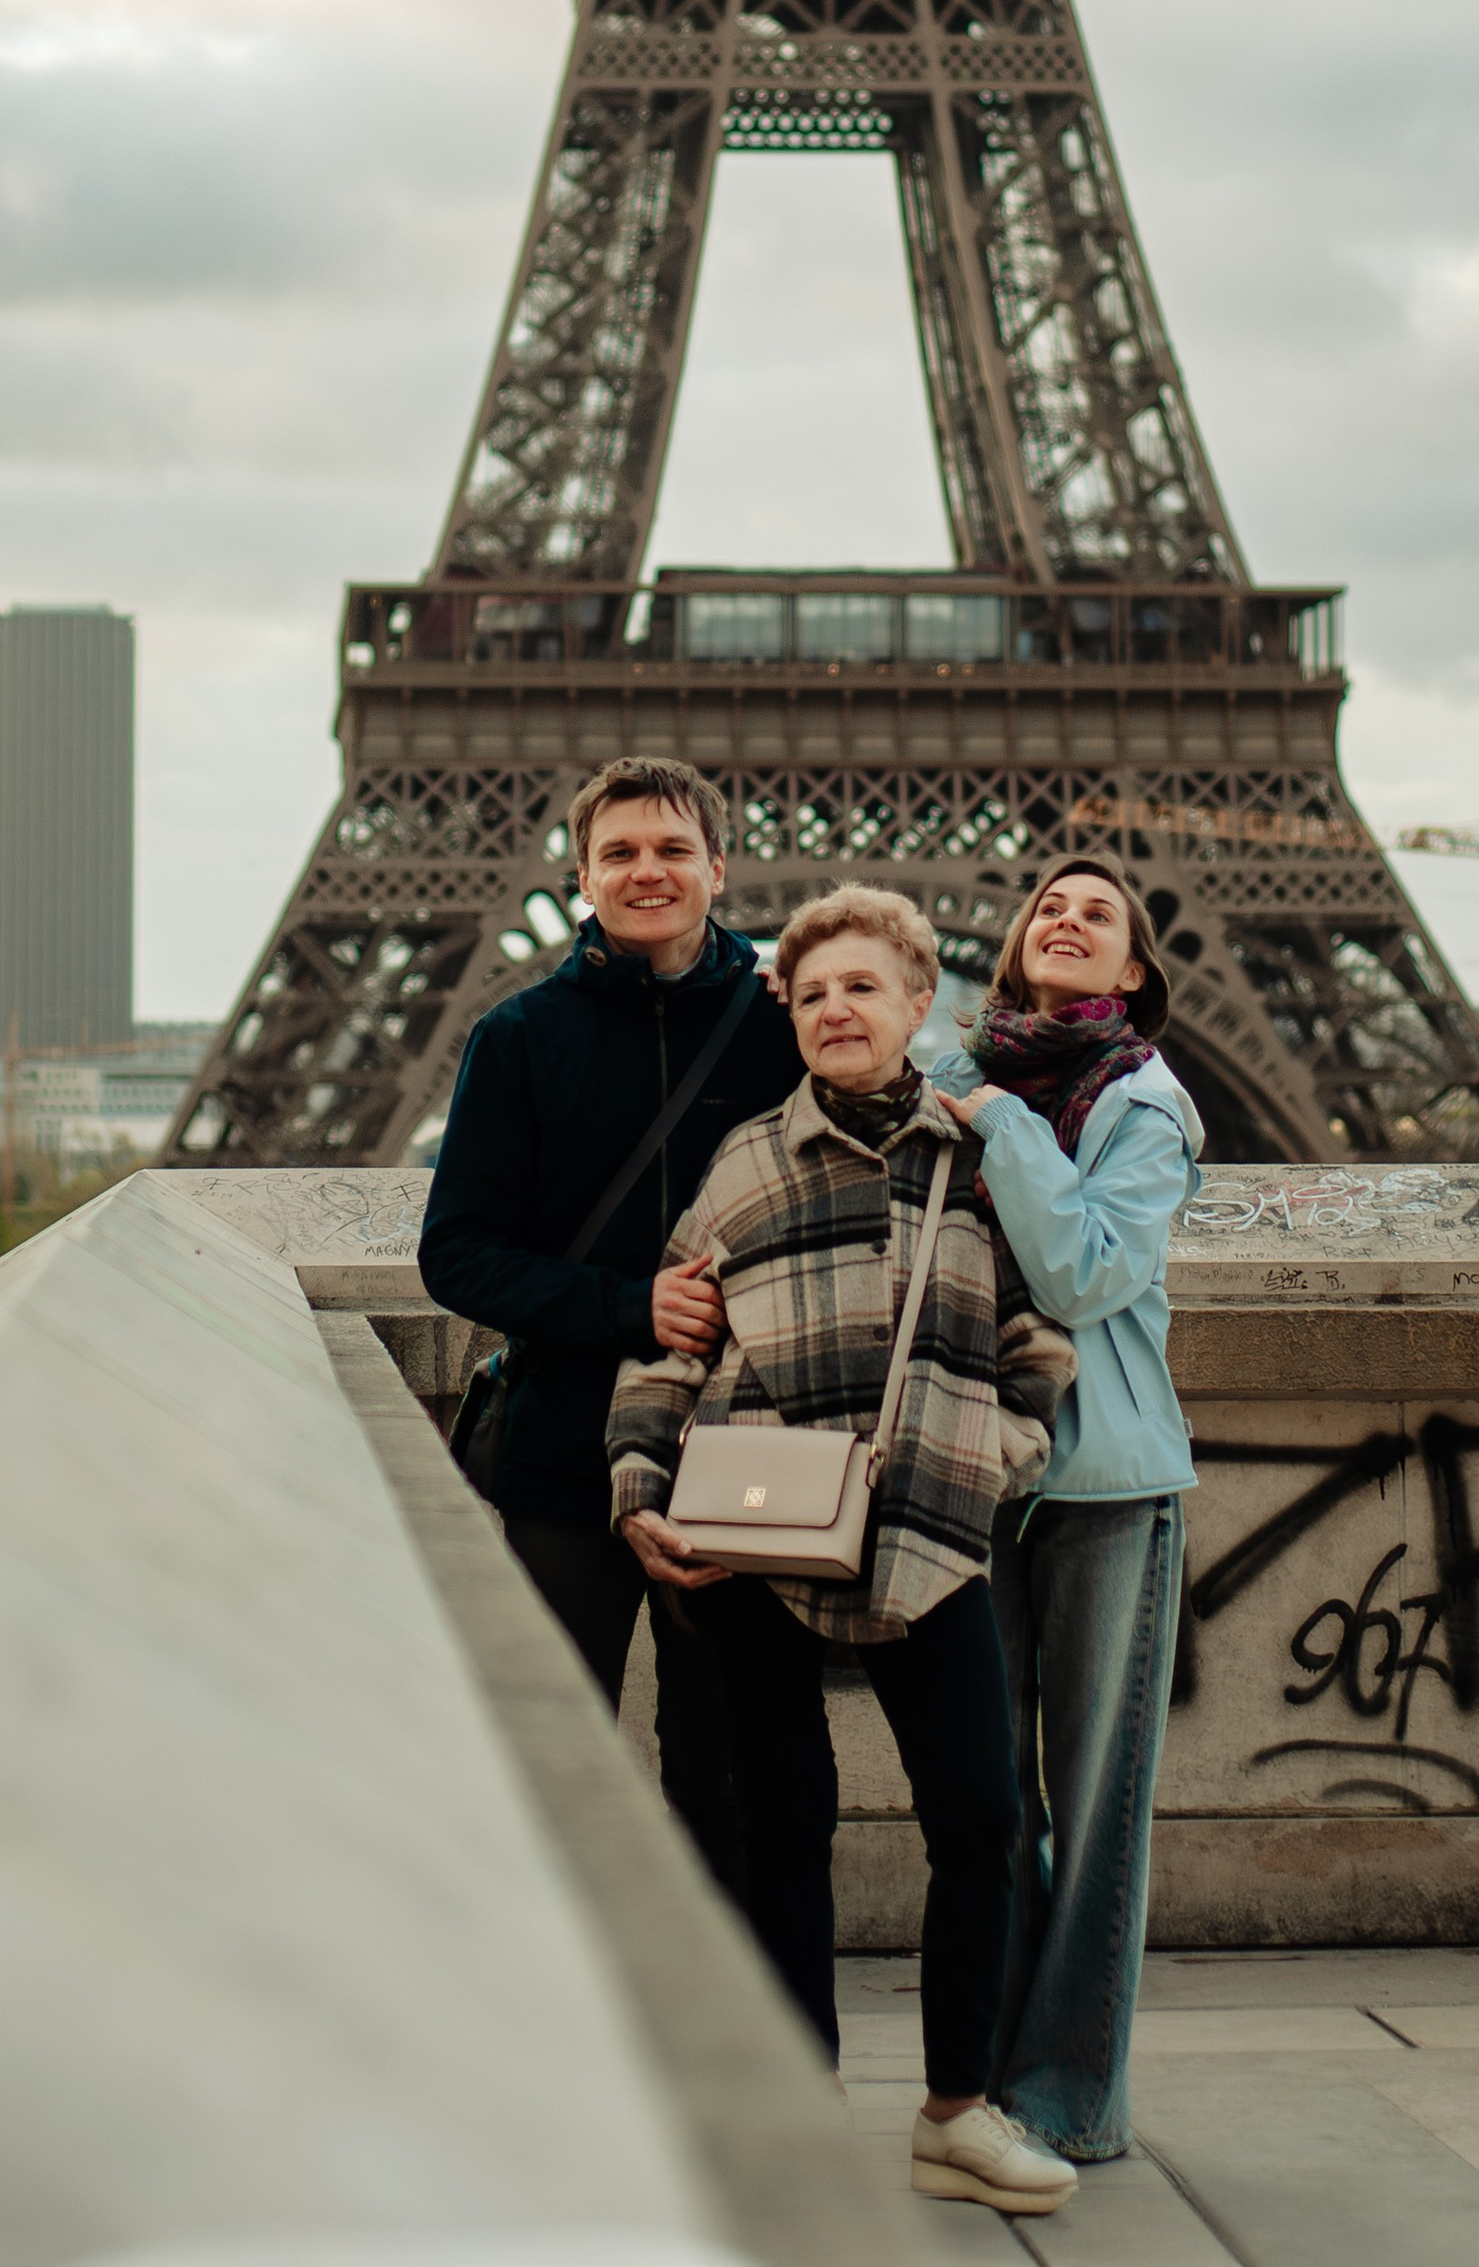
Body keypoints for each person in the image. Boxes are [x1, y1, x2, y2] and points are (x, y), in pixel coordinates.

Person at [611, 884, 1080, 2221]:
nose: (836, 1009)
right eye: (813, 993)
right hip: (762, 1538)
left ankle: (955, 2109)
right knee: (780, 1828)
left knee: (982, 1817)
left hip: (929, 1531)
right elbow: (672, 1342)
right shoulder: (749, 1162)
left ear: (918, 1005)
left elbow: (1039, 1344)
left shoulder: (980, 1156)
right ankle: (795, 2098)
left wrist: (999, 1456)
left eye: (862, 988)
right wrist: (640, 1484)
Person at [419, 756, 802, 1900]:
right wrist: (630, 1305)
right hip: (565, 1459)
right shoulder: (519, 1038)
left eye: (673, 850)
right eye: (622, 853)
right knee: (554, 1772)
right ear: (581, 876)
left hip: (741, 1461)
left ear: (718, 868)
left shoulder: (785, 1023)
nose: (649, 872)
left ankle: (744, 2044)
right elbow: (457, 1253)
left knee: (728, 1779)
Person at [921, 855, 1203, 2166]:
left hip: (1102, 1484)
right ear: (1018, 947)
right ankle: (990, 2081)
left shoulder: (1144, 1103)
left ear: (1132, 972)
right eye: (1051, 905)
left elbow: (1088, 1271)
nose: (1070, 918)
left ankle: (1070, 2097)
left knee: (1093, 1813)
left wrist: (998, 1121)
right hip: (979, 1469)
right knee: (993, 1804)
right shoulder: (957, 1066)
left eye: (1101, 912)